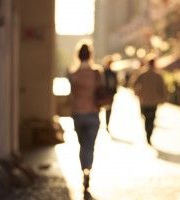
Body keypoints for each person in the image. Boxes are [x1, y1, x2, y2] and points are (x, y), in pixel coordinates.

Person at [69, 43, 101, 199]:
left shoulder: (73, 73)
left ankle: (84, 170)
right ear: (90, 54)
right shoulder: (96, 72)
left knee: (82, 146)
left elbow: (72, 94)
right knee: (90, 146)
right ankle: (87, 171)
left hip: (78, 113)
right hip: (93, 113)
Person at [132, 58, 167, 146]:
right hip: (152, 101)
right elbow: (163, 88)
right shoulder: (157, 75)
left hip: (144, 100)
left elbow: (134, 84)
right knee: (151, 119)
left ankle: (148, 134)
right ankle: (149, 134)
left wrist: (138, 93)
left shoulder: (143, 73)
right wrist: (163, 99)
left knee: (147, 118)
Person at [102, 55, 118, 133]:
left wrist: (114, 91)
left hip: (110, 94)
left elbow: (115, 84)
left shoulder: (113, 73)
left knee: (109, 110)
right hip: (104, 93)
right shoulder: (102, 72)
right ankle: (105, 123)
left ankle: (107, 123)